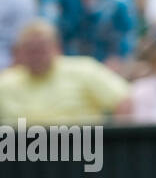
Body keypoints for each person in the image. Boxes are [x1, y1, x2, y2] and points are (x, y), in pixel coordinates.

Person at [0, 19, 130, 125]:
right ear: (18, 53)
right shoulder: (5, 83)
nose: (36, 55)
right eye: (30, 50)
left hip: (82, 151)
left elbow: (123, 100)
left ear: (57, 48)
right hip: (21, 153)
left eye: (41, 49)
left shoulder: (84, 69)